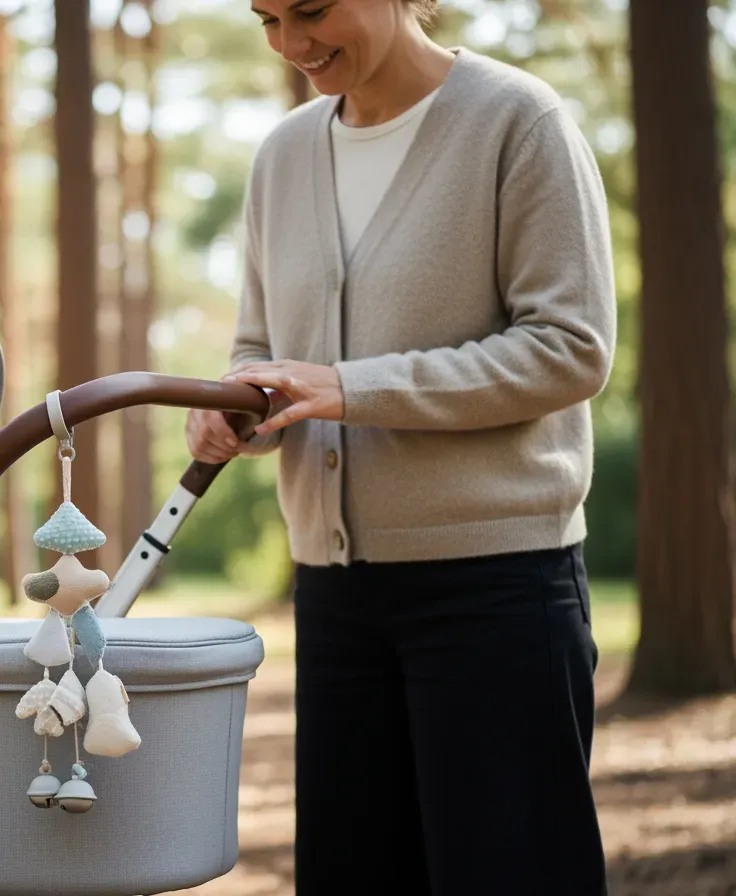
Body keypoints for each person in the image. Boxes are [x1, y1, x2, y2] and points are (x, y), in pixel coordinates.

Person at [184, 0, 616, 893]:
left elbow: (570, 347)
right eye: (267, 18)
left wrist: (353, 388)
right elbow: (260, 352)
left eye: (311, 10)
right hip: (335, 597)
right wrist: (234, 407)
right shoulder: (283, 155)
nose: (291, 45)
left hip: (495, 586)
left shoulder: (516, 120)